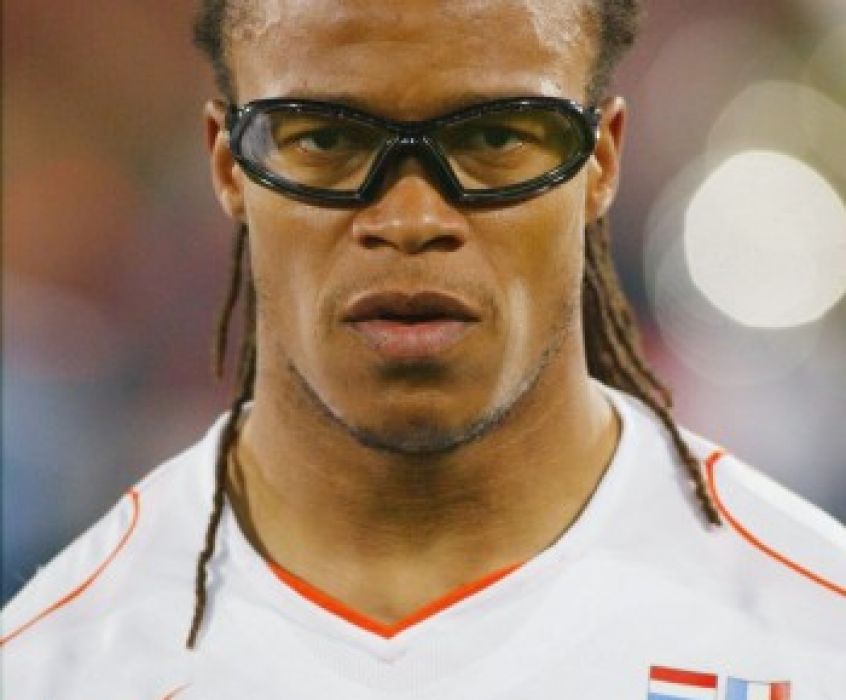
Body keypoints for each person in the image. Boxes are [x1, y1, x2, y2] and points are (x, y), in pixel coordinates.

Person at [2, 0, 844, 697]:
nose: (410, 220)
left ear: (601, 162)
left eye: (493, 138)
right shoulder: (52, 669)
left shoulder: (817, 636)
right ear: (228, 168)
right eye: (328, 141)